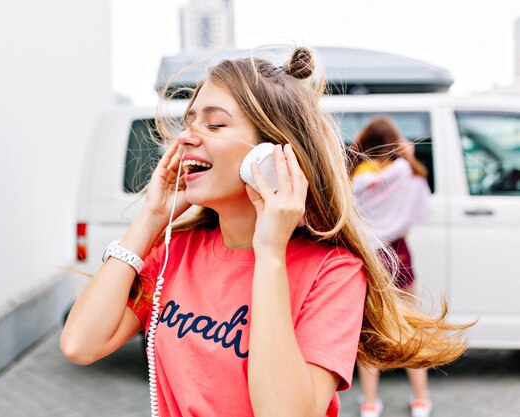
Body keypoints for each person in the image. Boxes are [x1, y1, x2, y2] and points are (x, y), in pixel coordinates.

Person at [60, 47, 468, 417]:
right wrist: (150, 218)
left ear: (270, 155)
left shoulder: (333, 273)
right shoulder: (175, 252)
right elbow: (80, 344)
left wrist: (269, 254)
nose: (186, 136)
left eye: (215, 124)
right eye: (189, 120)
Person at [349, 115, 434, 417]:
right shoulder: (406, 173)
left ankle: (371, 402)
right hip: (399, 254)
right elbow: (422, 208)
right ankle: (421, 399)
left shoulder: (356, 178)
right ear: (393, 144)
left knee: (369, 330)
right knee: (411, 326)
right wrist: (409, 156)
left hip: (368, 257)